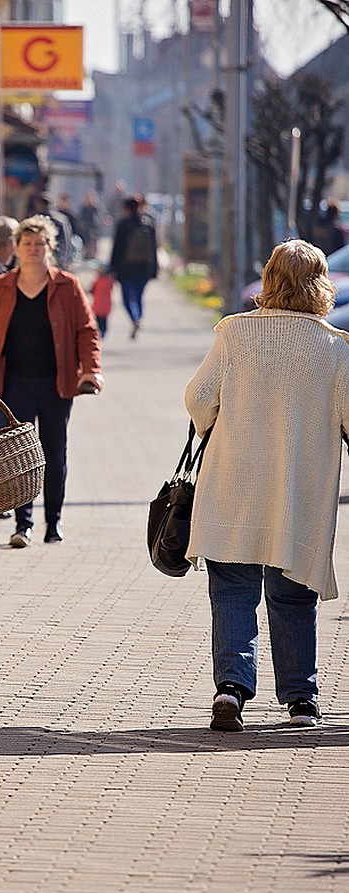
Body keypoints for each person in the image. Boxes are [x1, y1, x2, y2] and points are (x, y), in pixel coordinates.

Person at [184, 238, 349, 733]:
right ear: (321, 285)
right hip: (299, 497)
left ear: (269, 280)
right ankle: (301, 701)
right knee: (293, 595)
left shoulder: (234, 335)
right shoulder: (335, 348)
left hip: (232, 488)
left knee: (232, 590)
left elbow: (198, 399)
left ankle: (231, 689)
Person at [0, 214, 103, 548]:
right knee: (20, 456)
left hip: (56, 383)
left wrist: (91, 369)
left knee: (54, 452)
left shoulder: (67, 286)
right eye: (26, 243)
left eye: (39, 244)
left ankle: (53, 523)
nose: (33, 249)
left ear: (50, 248)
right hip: (14, 383)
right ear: (15, 248)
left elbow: (87, 331)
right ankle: (23, 524)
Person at [110, 195, 158, 339]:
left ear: (126, 209)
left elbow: (117, 248)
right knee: (139, 295)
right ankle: (139, 318)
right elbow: (154, 248)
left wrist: (113, 268)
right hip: (144, 267)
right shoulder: (148, 224)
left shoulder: (123, 225)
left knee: (126, 298)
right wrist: (155, 269)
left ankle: (134, 318)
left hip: (126, 268)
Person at [28, 192, 74, 269]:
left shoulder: (37, 219)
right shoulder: (62, 218)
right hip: (57, 256)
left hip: (45, 256)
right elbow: (66, 240)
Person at [77, 191, 104, 260]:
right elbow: (81, 218)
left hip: (93, 228)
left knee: (93, 242)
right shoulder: (84, 208)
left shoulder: (95, 208)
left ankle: (93, 256)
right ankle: (87, 255)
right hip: (86, 229)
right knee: (86, 243)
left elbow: (99, 217)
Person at [89, 266, 114, 338]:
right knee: (104, 318)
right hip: (107, 302)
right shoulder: (109, 281)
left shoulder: (97, 281)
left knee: (98, 318)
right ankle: (104, 330)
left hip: (97, 302)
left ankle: (100, 330)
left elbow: (92, 290)